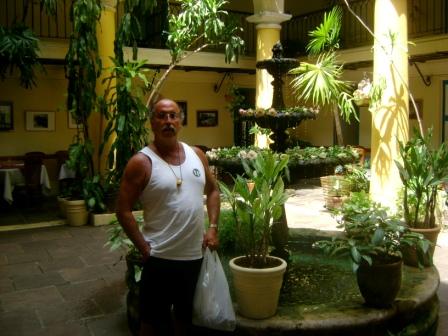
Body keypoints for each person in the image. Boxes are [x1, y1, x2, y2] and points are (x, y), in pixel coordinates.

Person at [116, 99, 220, 336]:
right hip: (159, 258)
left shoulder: (197, 155)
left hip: (193, 256)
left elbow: (213, 190)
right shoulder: (141, 162)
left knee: (185, 318)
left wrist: (213, 227)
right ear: (152, 122)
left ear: (181, 121)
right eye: (162, 116)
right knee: (151, 323)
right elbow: (122, 209)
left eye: (173, 116)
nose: (168, 122)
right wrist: (143, 247)